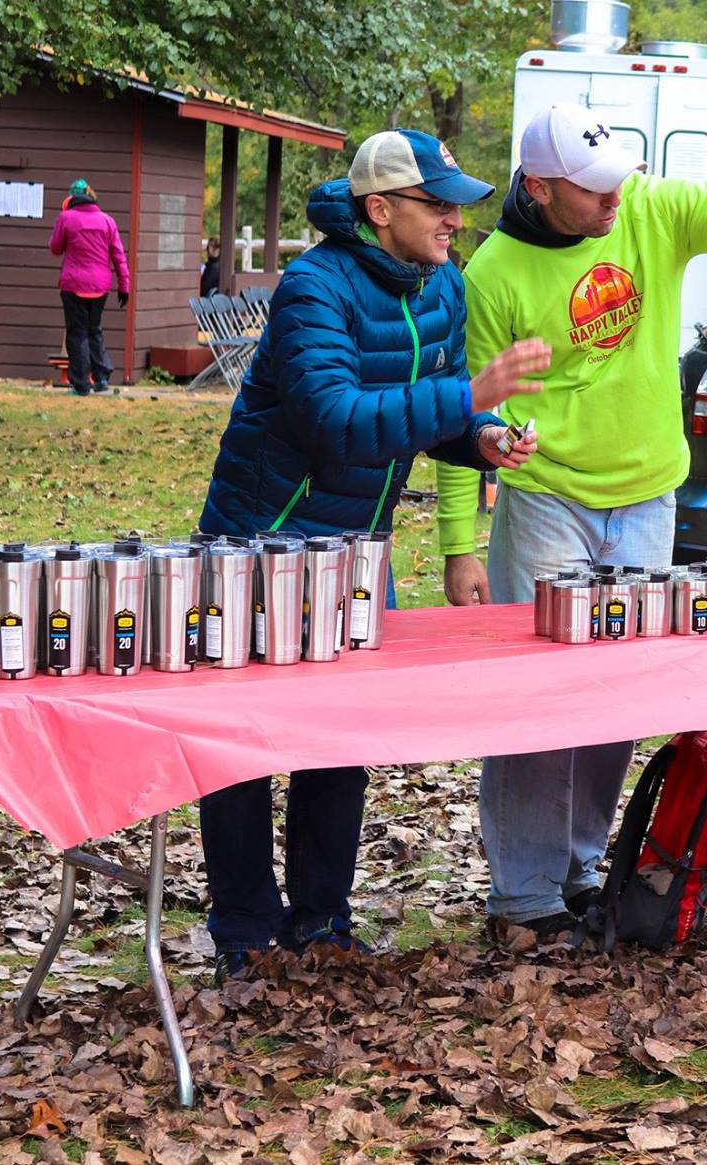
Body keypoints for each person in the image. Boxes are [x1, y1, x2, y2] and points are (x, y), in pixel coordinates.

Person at [437, 101, 707, 944]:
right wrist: (456, 544)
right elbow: (458, 415)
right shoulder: (494, 274)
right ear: (541, 187)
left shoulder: (646, 207)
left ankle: (580, 867)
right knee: (541, 701)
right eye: (593, 192)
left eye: (618, 183)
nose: (614, 201)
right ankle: (522, 896)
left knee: (616, 697)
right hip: (549, 497)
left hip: (649, 492)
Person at [196, 128, 550, 977]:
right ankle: (244, 930)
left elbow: (436, 417)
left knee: (338, 738)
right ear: (379, 208)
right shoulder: (312, 287)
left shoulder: (444, 288)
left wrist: (483, 436)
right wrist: (470, 394)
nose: (455, 221)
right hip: (263, 537)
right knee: (240, 744)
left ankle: (322, 920)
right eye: (438, 204)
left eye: (459, 205)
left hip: (359, 549)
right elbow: (335, 419)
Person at [48, 179, 130, 395]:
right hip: (101, 286)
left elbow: (55, 248)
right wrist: (125, 286)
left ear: (70, 199)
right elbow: (119, 256)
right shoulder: (107, 221)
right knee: (95, 330)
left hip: (74, 285)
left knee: (77, 333)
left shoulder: (66, 218)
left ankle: (81, 384)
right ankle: (101, 378)